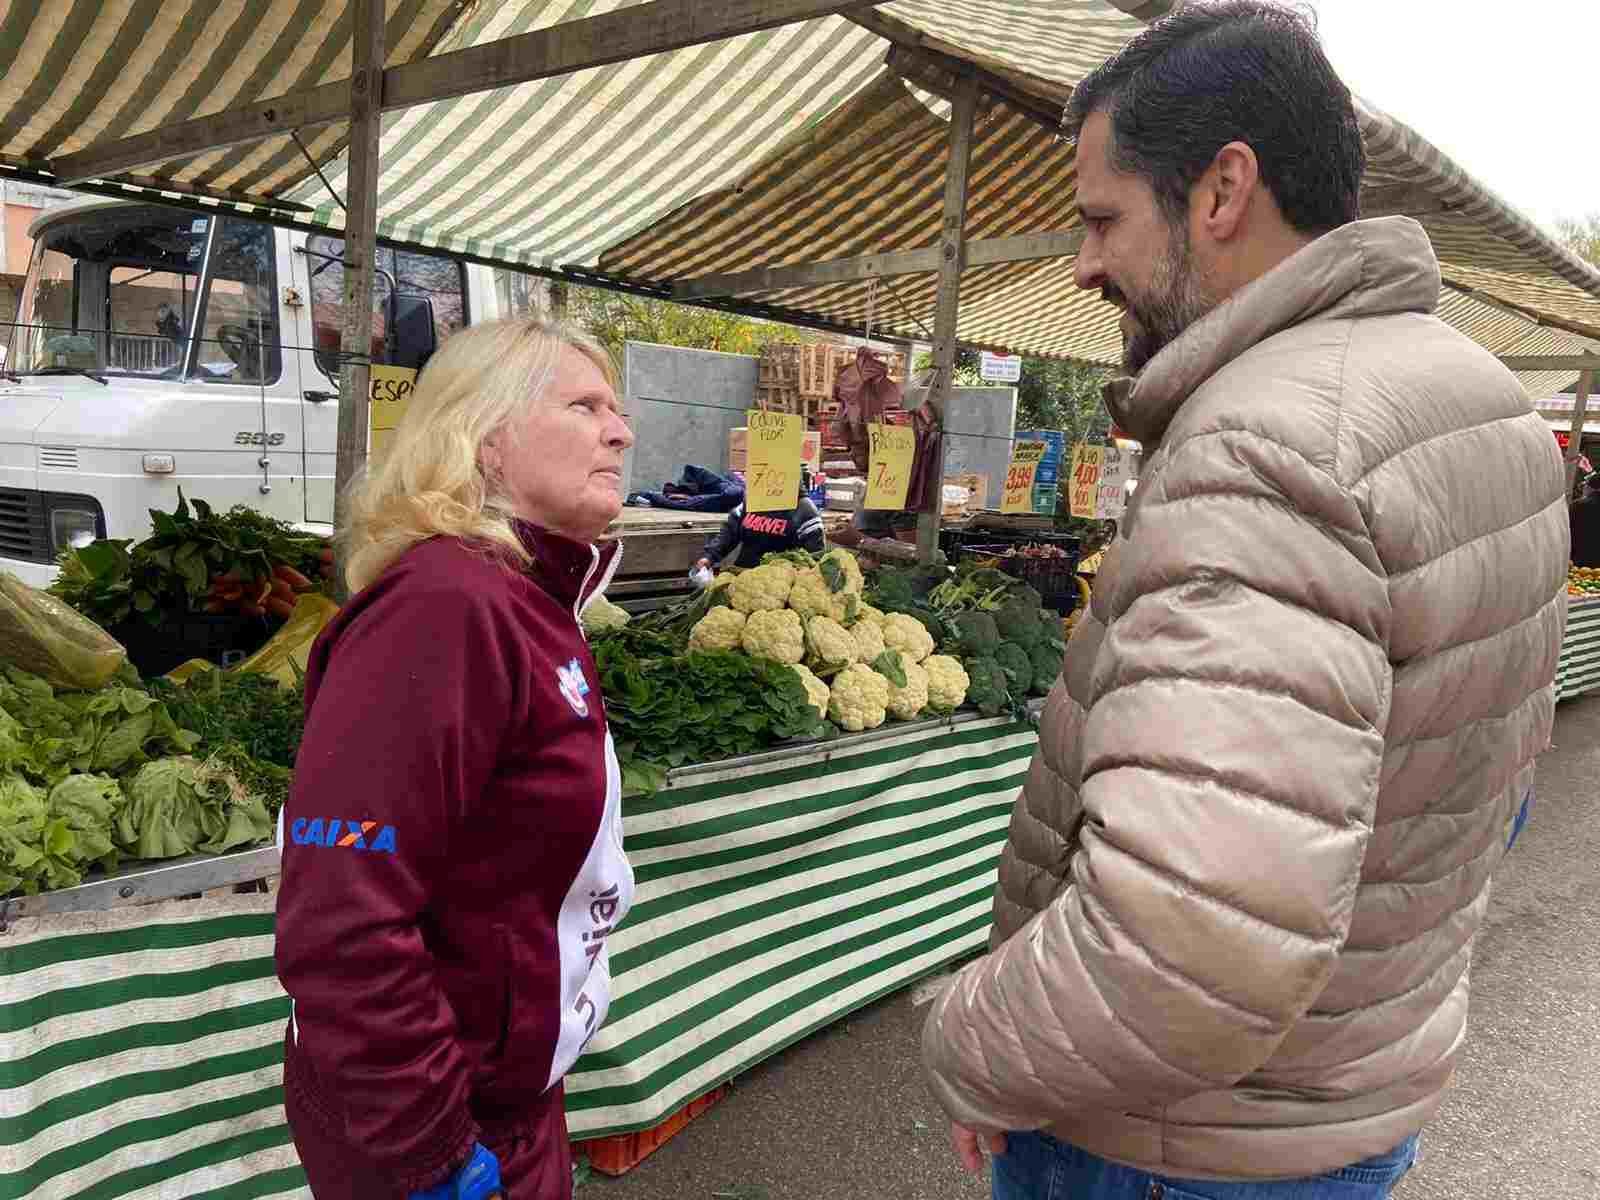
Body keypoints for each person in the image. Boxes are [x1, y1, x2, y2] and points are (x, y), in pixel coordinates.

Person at [920, 5, 1569, 1199]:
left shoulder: (1263, 445)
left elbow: (1184, 945)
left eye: (1102, 218)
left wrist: (970, 1047)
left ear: (1222, 191)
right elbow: (1478, 793)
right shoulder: (1483, 404)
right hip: (1348, 1097)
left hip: (1176, 1147)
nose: (1085, 265)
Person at [275, 319, 637, 1200]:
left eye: (617, 410)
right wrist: (429, 1152)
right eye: (585, 407)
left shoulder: (528, 599)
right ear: (485, 437)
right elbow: (343, 910)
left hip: (506, 1100)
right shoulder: (445, 608)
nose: (621, 432)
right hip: (440, 1125)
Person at [695, 485, 826, 571]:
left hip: (779, 588)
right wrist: (710, 556)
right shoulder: (753, 500)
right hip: (742, 576)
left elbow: (815, 558)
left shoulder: (805, 510)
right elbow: (730, 531)